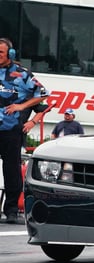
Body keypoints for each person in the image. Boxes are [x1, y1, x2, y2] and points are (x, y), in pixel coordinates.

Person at [0, 37, 48, 223]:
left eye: (1, 53)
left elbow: (43, 94)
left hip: (11, 130)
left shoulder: (22, 74)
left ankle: (11, 210)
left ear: (10, 54)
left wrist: (22, 107)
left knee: (11, 170)